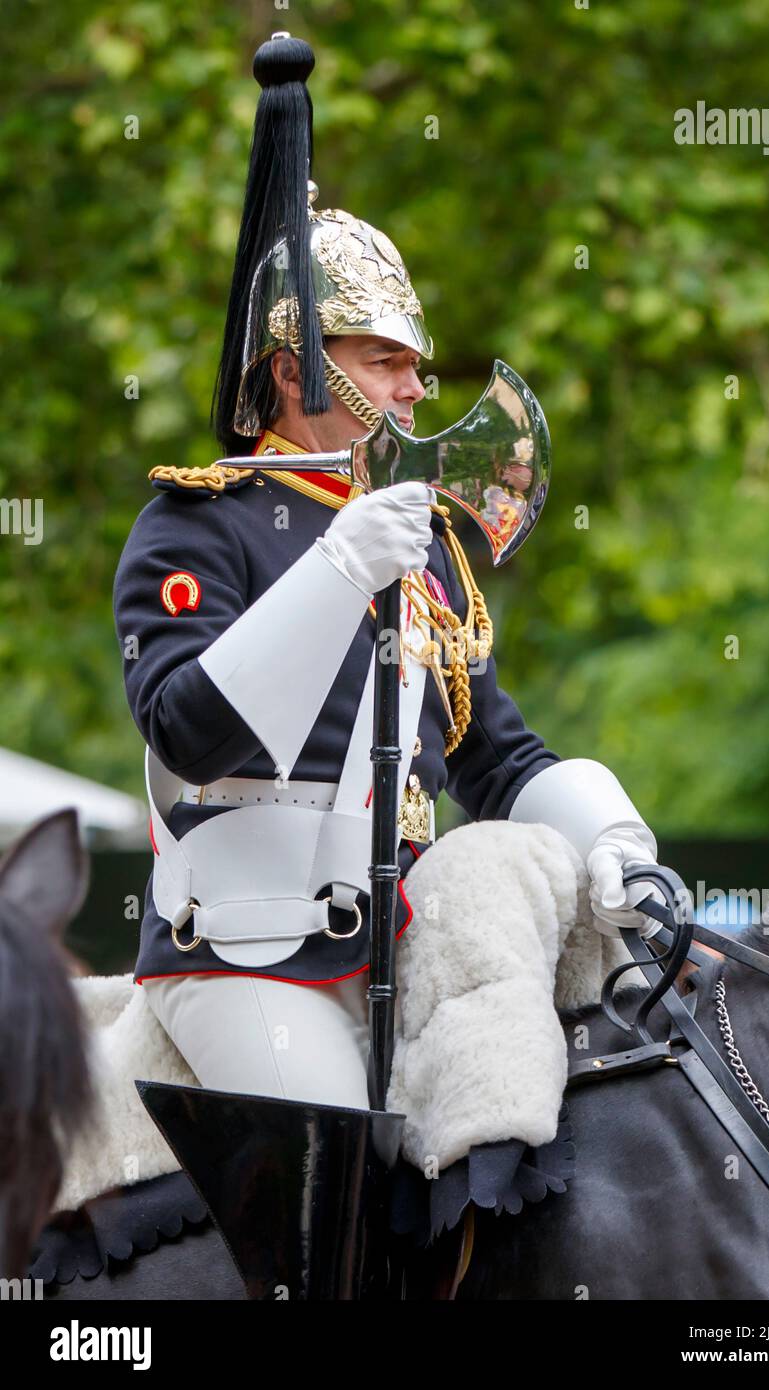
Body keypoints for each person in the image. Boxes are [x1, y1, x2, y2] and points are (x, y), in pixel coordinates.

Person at [113, 32, 661, 1120]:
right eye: (384, 359)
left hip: (410, 938)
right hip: (241, 950)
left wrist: (611, 840)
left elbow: (494, 756)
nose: (415, 388)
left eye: (416, 363)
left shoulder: (424, 549)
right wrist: (332, 572)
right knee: (339, 1169)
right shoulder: (194, 523)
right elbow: (184, 730)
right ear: (294, 368)